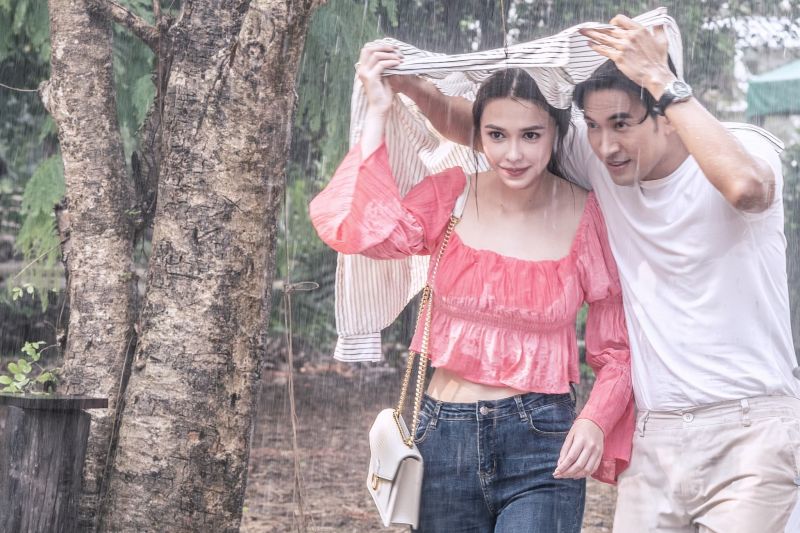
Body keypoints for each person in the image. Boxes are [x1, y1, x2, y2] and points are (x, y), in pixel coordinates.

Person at [393, 14, 800, 533]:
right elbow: (486, 129)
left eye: (622, 124)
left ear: (667, 115)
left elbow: (747, 189)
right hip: (657, 433)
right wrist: (409, 83)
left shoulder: (743, 148)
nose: (606, 145)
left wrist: (661, 78)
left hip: (750, 425)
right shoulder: (603, 159)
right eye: (593, 125)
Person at [310, 43, 635, 532]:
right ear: (478, 135)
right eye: (496, 135)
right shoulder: (453, 193)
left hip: (543, 441)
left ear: (556, 132)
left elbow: (619, 348)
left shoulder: (587, 214)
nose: (513, 154)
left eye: (530, 135)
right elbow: (360, 231)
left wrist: (595, 419)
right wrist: (377, 111)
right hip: (442, 435)